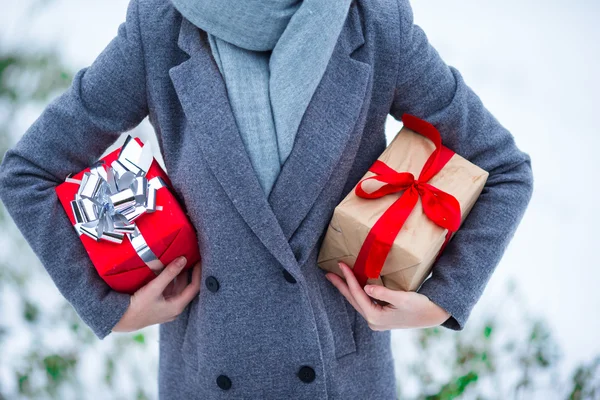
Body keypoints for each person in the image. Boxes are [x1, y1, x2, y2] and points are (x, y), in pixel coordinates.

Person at [0, 0, 534, 398]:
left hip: (343, 380)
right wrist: (108, 308)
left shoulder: (372, 23)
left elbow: (504, 167)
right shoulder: (162, 25)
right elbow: (27, 172)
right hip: (207, 376)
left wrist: (442, 300)